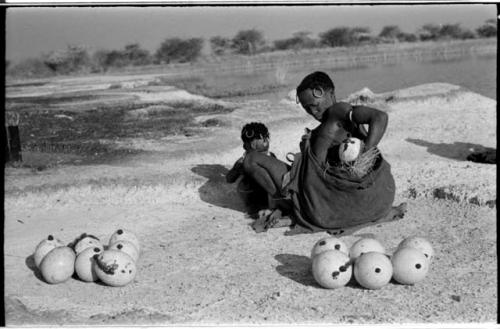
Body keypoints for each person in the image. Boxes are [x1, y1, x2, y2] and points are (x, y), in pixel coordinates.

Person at [243, 71, 406, 235]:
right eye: (307, 108)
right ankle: (289, 203)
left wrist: (365, 156)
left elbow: (380, 117)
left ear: (329, 93)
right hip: (373, 204)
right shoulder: (330, 123)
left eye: (314, 105)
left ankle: (290, 206)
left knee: (251, 160)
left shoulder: (339, 110)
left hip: (327, 207)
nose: (313, 112)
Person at [226, 122, 291, 223]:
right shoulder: (245, 160)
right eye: (260, 138)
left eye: (266, 137)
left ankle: (276, 206)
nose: (265, 140)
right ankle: (263, 209)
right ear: (248, 144)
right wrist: (238, 167)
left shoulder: (270, 156)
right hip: (255, 197)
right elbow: (229, 178)